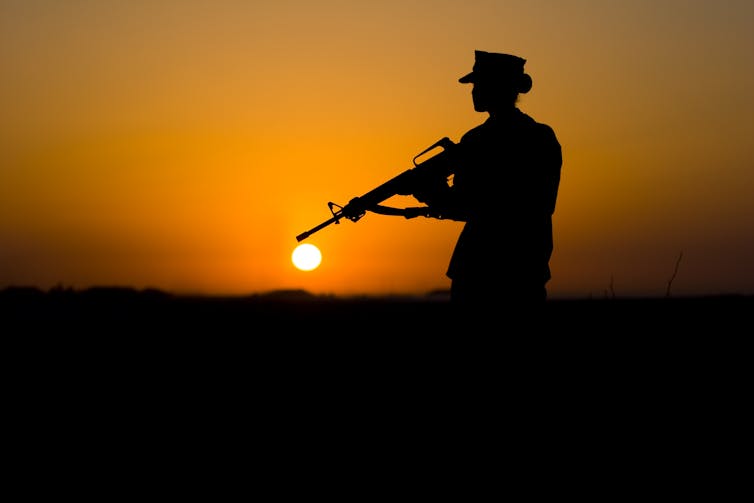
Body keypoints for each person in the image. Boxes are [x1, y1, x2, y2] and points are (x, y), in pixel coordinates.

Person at [409, 50, 562, 313]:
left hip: (487, 271)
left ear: (499, 87)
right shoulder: (536, 137)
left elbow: (471, 205)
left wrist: (430, 193)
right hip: (522, 269)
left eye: (480, 84)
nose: (474, 91)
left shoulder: (483, 141)